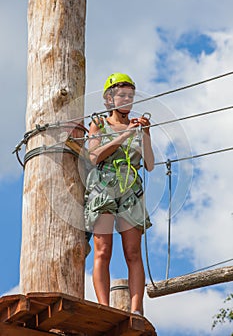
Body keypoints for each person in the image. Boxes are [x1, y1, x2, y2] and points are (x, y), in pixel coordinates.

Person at [84, 72, 154, 315]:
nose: (126, 99)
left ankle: (136, 308)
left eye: (130, 96)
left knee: (132, 252)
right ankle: (103, 308)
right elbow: (94, 156)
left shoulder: (138, 126)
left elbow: (150, 164)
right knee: (103, 250)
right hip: (104, 186)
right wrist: (124, 135)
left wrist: (144, 133)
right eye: (121, 95)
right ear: (109, 99)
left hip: (130, 188)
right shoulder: (100, 124)